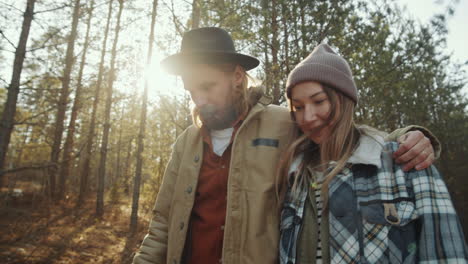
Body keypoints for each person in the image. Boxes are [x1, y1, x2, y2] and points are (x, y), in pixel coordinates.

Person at [133, 27, 438, 264]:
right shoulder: (185, 143)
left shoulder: (284, 123)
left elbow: (345, 136)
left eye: (208, 86)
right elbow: (161, 224)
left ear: (237, 76)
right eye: (191, 91)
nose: (199, 99)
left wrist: (408, 136)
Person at [279, 43, 467, 263]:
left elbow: (447, 255)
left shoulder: (406, 162)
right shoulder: (292, 178)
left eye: (319, 101)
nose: (308, 117)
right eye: (298, 107)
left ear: (345, 100)